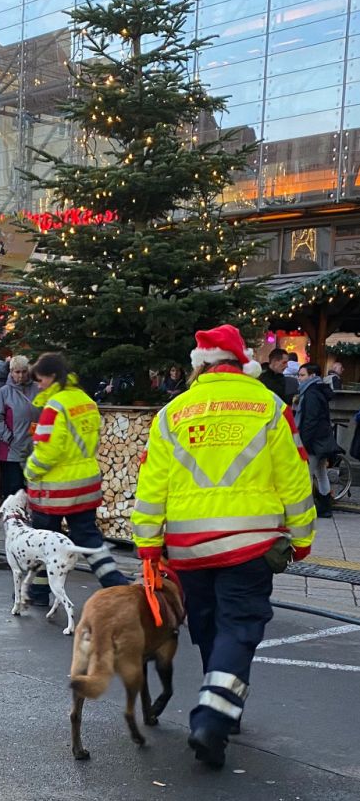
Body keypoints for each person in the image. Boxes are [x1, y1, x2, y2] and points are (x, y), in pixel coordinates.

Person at [131, 324, 315, 769]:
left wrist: (148, 544)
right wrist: (303, 536)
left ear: (201, 366)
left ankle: (224, 709)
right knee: (240, 628)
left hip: (190, 548)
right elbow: (294, 474)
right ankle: (214, 715)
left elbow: (151, 484)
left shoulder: (172, 413)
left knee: (211, 627)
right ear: (242, 363)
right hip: (250, 544)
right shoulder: (269, 406)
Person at [23, 353, 129, 607]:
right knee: (89, 538)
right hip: (86, 485)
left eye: (40, 380)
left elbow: (49, 451)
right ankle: (116, 585)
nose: (38, 385)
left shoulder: (54, 407)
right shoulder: (86, 401)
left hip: (55, 489)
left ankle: (38, 594)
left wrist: (30, 471)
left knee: (43, 541)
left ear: (51, 377)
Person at [0, 355, 39, 499]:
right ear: (11, 372)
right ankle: (12, 517)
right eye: (17, 372)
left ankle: (30, 516)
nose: (21, 375)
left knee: (32, 487)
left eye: (24, 371)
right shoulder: (3, 392)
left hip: (33, 448)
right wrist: (8, 437)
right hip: (11, 450)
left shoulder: (38, 389)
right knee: (13, 488)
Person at [295, 363, 336, 519]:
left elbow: (310, 420)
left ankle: (305, 508)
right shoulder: (318, 390)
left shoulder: (311, 393)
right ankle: (325, 507)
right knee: (321, 473)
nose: (299, 378)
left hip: (313, 442)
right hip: (322, 440)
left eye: (302, 375)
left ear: (312, 376)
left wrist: (303, 443)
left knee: (306, 475)